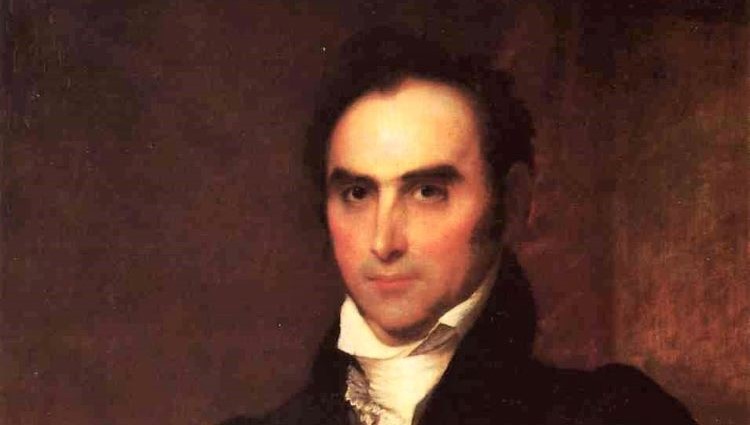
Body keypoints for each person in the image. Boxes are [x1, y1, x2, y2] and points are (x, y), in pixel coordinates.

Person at [221, 27, 697, 425]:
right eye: (358, 194)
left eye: (427, 192)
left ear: (513, 202)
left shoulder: (620, 416)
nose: (384, 241)